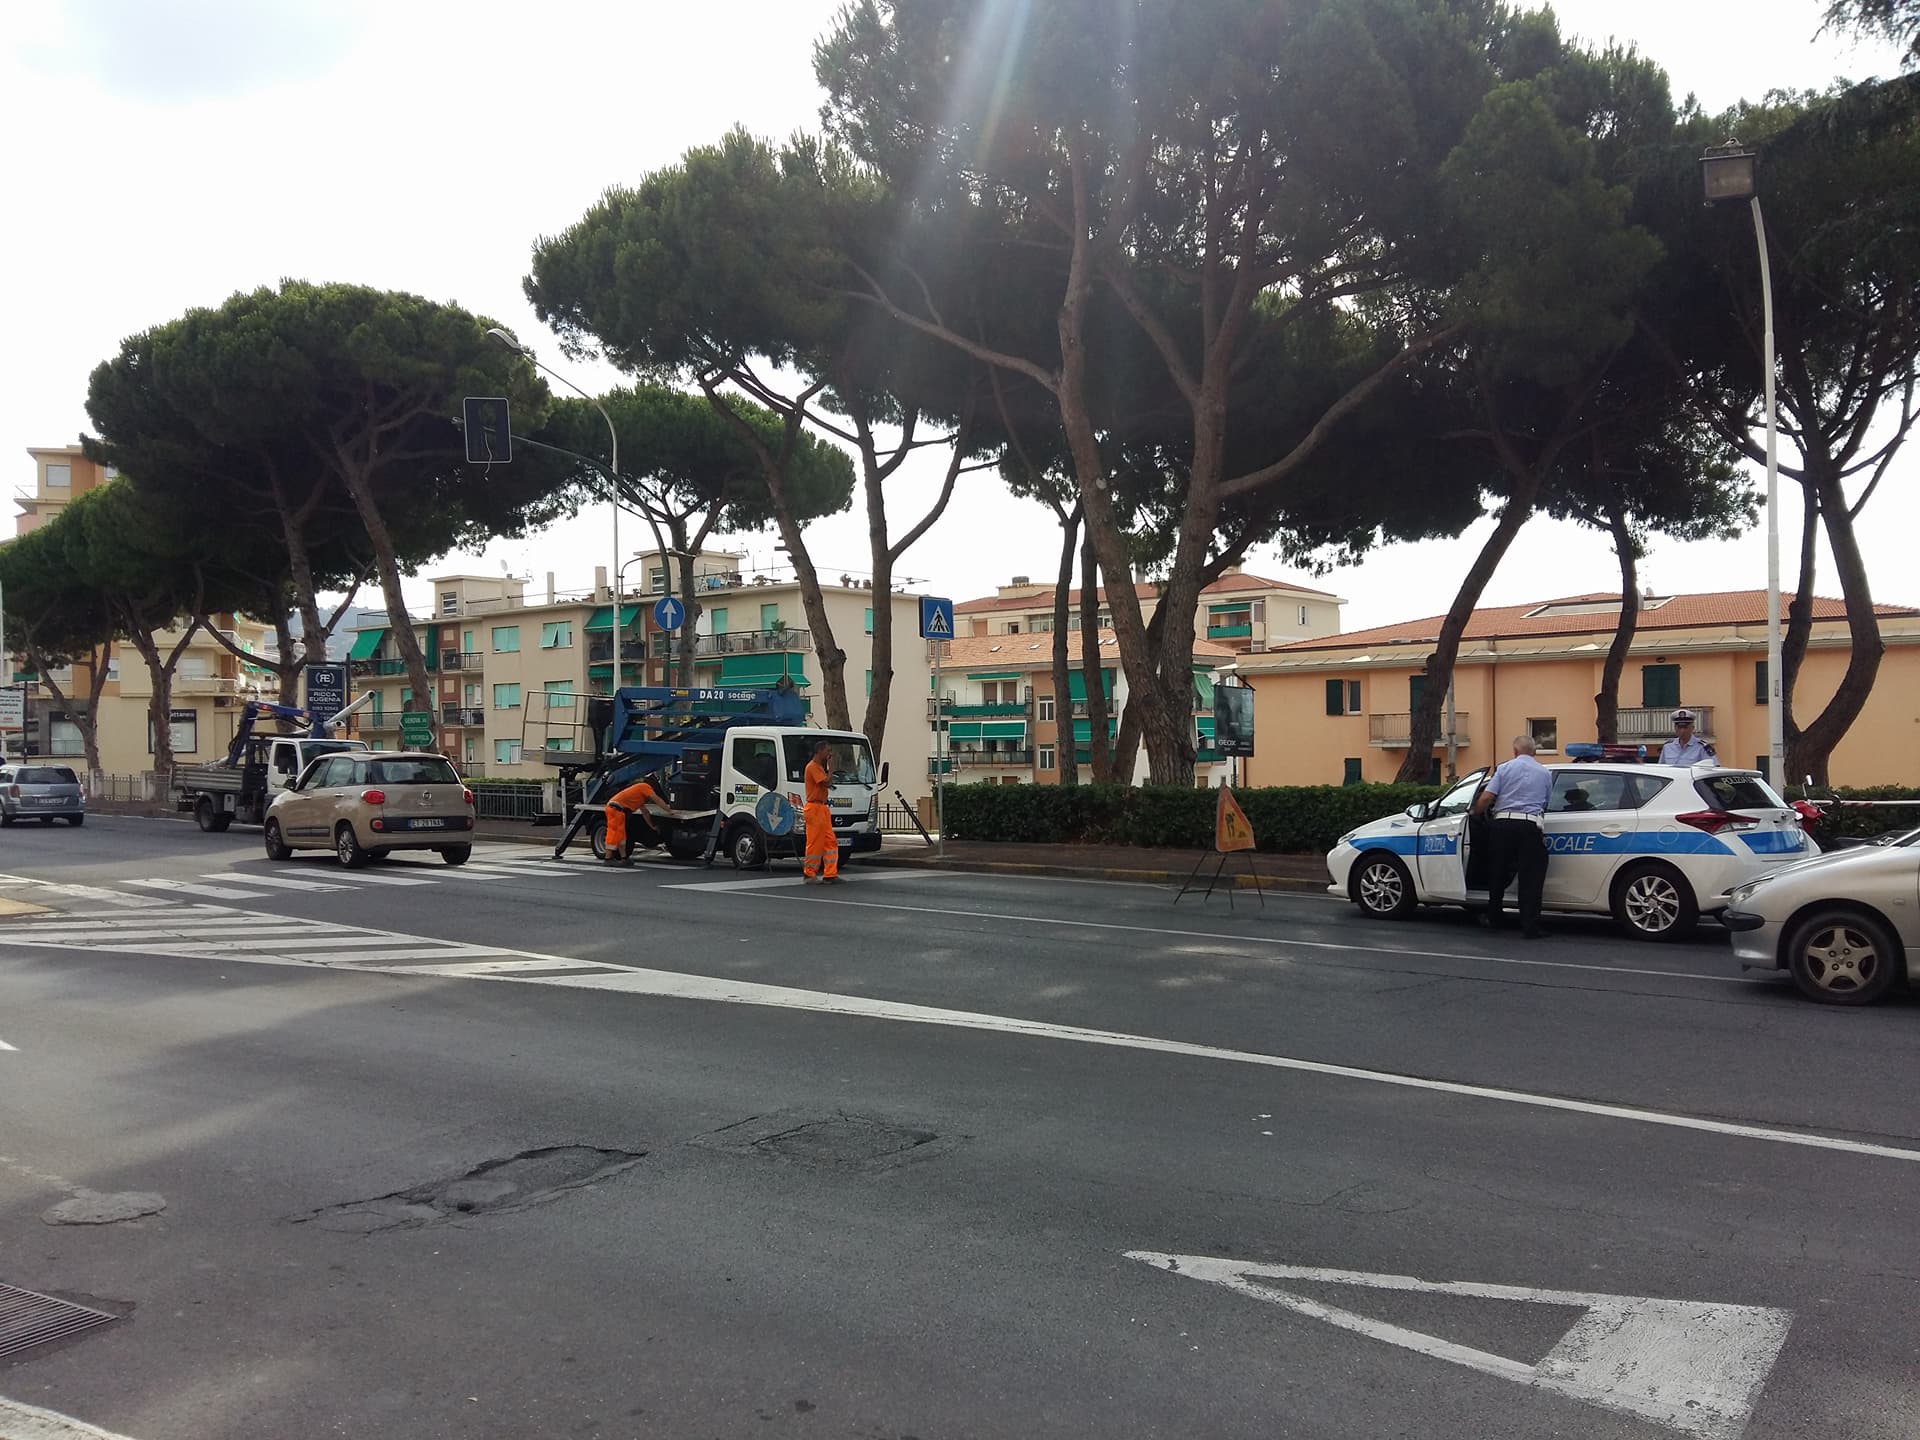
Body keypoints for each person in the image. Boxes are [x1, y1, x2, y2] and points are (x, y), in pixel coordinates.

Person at [1472, 735, 1552, 939]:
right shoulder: (1544, 773)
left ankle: (1494, 919)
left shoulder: (1504, 768)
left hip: (1502, 826)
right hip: (1530, 826)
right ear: (1534, 752)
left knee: (1497, 872)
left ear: (1515, 751)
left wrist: (1475, 813)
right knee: (1530, 877)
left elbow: (1487, 797)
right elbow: (1545, 802)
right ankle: (1530, 926)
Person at [600, 771, 667, 865]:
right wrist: (669, 810)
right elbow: (657, 799)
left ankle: (624, 858)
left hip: (617, 811)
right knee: (614, 835)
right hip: (615, 810)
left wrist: (652, 826)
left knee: (621, 836)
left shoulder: (639, 794)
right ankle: (608, 859)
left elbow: (645, 813)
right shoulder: (644, 786)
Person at [802, 739, 841, 884]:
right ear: (820, 751)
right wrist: (831, 768)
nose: (830, 754)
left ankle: (830, 874)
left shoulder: (818, 767)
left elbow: (827, 783)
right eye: (827, 751)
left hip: (822, 807)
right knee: (815, 843)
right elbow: (826, 782)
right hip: (814, 808)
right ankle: (809, 874)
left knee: (830, 841)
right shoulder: (812, 767)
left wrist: (829, 771)